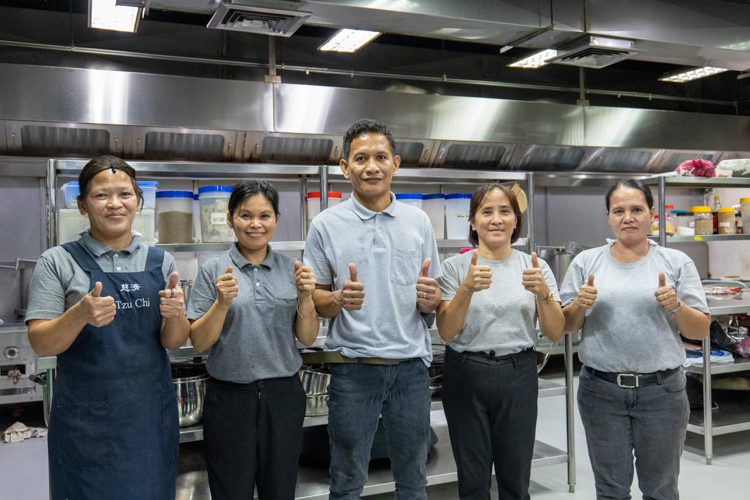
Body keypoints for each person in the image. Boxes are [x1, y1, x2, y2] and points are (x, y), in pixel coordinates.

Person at [25, 155, 190, 500]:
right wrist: (80, 315)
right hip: (86, 424)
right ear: (82, 205)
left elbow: (173, 342)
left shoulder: (162, 262)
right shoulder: (57, 261)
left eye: (125, 194)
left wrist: (176, 315)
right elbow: (41, 343)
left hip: (148, 420)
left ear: (138, 201)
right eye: (101, 195)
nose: (115, 204)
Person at [303, 118, 442, 500]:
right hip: (353, 369)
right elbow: (315, 297)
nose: (372, 166)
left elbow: (433, 296)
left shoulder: (418, 221)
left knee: (413, 478)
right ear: (345, 167)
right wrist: (336, 299)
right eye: (360, 158)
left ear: (395, 163)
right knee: (347, 479)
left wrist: (432, 300)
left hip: (411, 370)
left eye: (380, 156)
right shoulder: (326, 225)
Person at [559, 179, 710, 500]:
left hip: (662, 393)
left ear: (652, 214)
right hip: (601, 392)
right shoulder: (586, 264)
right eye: (619, 210)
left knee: (660, 488)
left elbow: (699, 330)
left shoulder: (676, 262)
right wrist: (579, 304)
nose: (628, 217)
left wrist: (677, 306)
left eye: (637, 209)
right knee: (611, 489)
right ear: (608, 217)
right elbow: (565, 327)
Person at [187, 180, 318, 500]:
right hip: (231, 397)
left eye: (265, 215)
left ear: (275, 219)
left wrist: (306, 298)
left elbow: (308, 337)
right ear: (231, 219)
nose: (255, 224)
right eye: (246, 215)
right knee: (231, 489)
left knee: (280, 488)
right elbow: (199, 343)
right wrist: (221, 303)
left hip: (283, 395)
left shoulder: (294, 269)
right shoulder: (213, 271)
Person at [436, 182, 565, 500]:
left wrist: (543, 294)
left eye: (505, 211)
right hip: (466, 372)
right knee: (472, 475)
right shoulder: (454, 267)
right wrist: (466, 288)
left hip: (518, 371)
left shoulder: (534, 267)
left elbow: (555, 332)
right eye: (487, 211)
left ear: (516, 221)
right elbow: (447, 332)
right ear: (473, 221)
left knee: (516, 473)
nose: (496, 219)